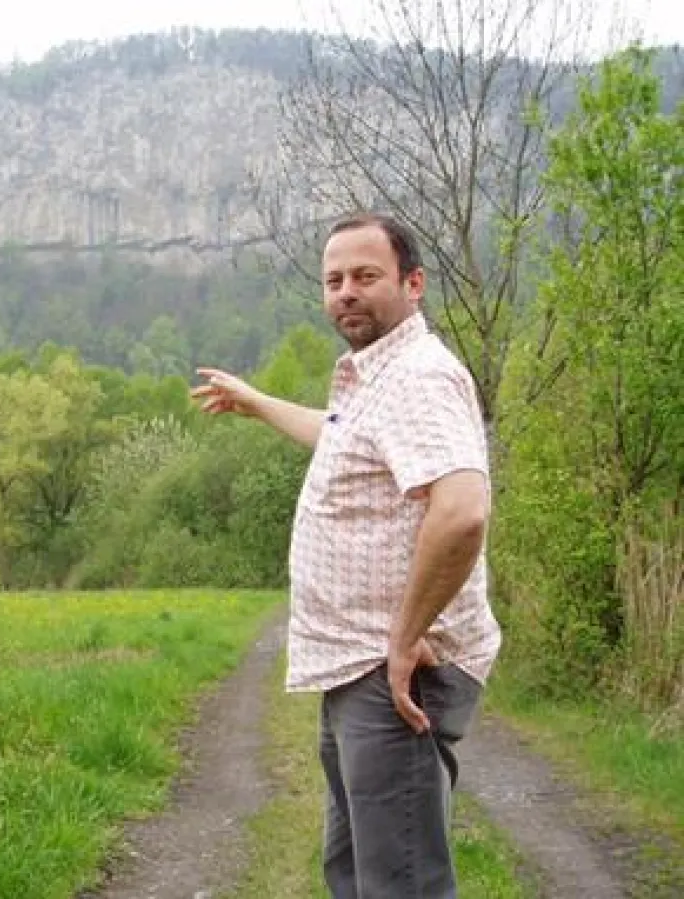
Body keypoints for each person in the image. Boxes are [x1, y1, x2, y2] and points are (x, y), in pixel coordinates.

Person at [192, 212, 501, 898]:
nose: (345, 292)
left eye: (366, 276)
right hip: (359, 666)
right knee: (357, 870)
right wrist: (256, 402)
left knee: (400, 882)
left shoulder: (420, 375)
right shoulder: (377, 379)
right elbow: (341, 438)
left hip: (396, 671)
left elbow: (462, 509)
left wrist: (405, 637)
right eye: (334, 280)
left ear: (413, 283)